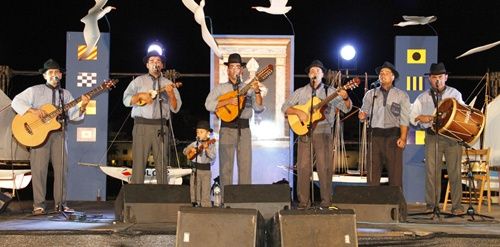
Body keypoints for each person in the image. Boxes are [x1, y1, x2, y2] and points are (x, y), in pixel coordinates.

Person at [11, 59, 90, 215]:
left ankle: (60, 204)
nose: (54, 75)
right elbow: (16, 102)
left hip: (59, 134)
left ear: (60, 75)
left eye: (56, 72)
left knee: (62, 170)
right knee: (39, 170)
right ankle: (38, 205)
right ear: (45, 76)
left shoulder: (65, 94)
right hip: (37, 135)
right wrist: (33, 111)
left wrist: (83, 105)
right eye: (50, 73)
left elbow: (74, 116)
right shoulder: (34, 90)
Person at [282, 60, 352, 209]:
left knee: (324, 167)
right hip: (304, 132)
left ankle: (326, 201)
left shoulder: (330, 91)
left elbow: (346, 109)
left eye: (318, 71)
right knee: (303, 167)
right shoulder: (301, 92)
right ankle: (303, 202)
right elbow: (285, 107)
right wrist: (298, 112)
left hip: (323, 131)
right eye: (312, 71)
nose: (315, 73)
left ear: (322, 74)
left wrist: (345, 97)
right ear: (309, 75)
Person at [205, 53, 264, 199]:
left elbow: (259, 108)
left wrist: (257, 91)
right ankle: (226, 199)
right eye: (232, 66)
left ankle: (244, 200)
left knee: (245, 166)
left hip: (244, 129)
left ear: (242, 70)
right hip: (226, 128)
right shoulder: (220, 88)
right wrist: (227, 102)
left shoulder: (248, 88)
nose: (235, 69)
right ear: (228, 70)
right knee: (226, 167)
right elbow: (208, 104)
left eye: (238, 66)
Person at [410, 62, 465, 215]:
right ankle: (431, 205)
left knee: (455, 172)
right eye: (434, 77)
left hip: (452, 138)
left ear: (446, 77)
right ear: (429, 79)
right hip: (432, 137)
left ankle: (457, 207)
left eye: (440, 77)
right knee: (431, 173)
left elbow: (462, 113)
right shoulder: (422, 97)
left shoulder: (455, 94)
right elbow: (413, 117)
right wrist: (423, 117)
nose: (437, 80)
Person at [123, 49, 182, 184]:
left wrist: (171, 94)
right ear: (147, 65)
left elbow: (176, 108)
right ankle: (136, 194)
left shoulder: (168, 83)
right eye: (152, 61)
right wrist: (139, 96)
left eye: (158, 61)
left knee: (162, 162)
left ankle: (162, 195)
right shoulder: (138, 81)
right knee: (139, 162)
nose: (155, 63)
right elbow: (126, 100)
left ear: (162, 65)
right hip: (141, 125)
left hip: (160, 126)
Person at [358, 61, 410, 187]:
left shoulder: (401, 95)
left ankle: (396, 205)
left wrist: (403, 137)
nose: (383, 75)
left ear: (393, 77)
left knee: (395, 173)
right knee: (373, 172)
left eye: (387, 73)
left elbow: (404, 118)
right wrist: (362, 116)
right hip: (375, 135)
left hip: (394, 135)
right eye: (381, 73)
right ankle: (373, 203)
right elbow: (363, 113)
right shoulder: (371, 94)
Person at [183, 120, 216, 207]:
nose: (199, 134)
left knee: (206, 189)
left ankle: (205, 205)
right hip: (195, 170)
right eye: (197, 132)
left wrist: (207, 149)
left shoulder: (211, 144)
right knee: (195, 189)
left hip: (206, 171)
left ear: (208, 133)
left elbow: (213, 157)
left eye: (201, 132)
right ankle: (195, 204)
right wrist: (190, 150)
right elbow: (185, 152)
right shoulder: (194, 144)